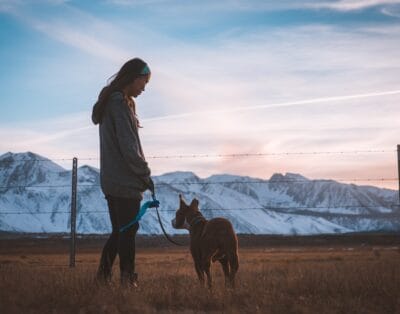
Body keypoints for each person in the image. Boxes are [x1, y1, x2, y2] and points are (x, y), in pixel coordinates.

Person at [91, 58, 153, 287]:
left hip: (111, 180)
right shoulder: (119, 105)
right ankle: (128, 280)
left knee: (120, 231)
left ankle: (102, 276)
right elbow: (129, 148)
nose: (144, 88)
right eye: (143, 82)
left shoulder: (111, 103)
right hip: (125, 181)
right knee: (127, 231)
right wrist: (145, 175)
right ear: (133, 77)